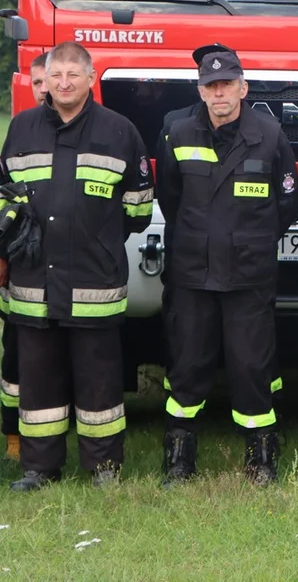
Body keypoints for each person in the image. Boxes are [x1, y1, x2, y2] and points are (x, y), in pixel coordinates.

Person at [0, 41, 153, 490]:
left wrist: (94, 240)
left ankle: (104, 468)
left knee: (100, 384)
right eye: (56, 74)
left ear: (91, 78)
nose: (64, 83)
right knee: (39, 384)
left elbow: (138, 211)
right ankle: (38, 468)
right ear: (43, 80)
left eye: (74, 74)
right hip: (32, 284)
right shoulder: (22, 128)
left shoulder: (121, 131)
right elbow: (4, 197)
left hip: (94, 284)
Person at [158, 45, 298, 487]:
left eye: (227, 85)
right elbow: (171, 198)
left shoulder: (271, 135)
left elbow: (287, 201)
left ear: (243, 87)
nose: (219, 93)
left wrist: (251, 243)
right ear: (200, 91)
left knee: (251, 366)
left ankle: (261, 457)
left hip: (248, 275)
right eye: (211, 86)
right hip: (192, 274)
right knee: (187, 365)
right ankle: (179, 457)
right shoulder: (178, 134)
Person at [0, 52, 47, 461]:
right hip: (21, 274)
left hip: (72, 274)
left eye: (49, 82)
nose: (45, 90)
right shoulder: (18, 132)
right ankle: (13, 439)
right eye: (37, 84)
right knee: (15, 358)